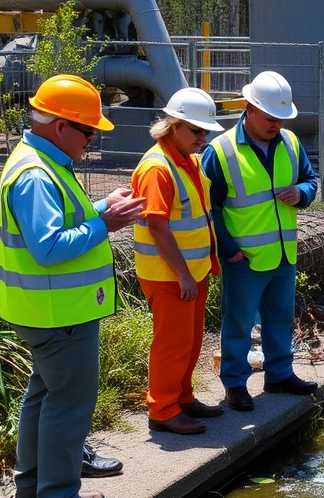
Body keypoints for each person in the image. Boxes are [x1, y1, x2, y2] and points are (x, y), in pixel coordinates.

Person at [0, 74, 144, 498]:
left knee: (43, 399)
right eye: (87, 130)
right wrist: (108, 224)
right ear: (60, 126)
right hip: (61, 314)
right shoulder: (38, 174)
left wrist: (100, 207)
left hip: (42, 312)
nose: (92, 139)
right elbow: (49, 247)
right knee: (68, 405)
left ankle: (33, 495)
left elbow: (59, 223)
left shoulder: (38, 161)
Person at [201, 70, 319, 411]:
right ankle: (235, 384)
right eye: (270, 118)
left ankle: (279, 373)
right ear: (249, 108)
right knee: (238, 324)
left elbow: (310, 180)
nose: (276, 125)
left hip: (284, 254)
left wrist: (302, 193)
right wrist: (228, 250)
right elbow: (211, 208)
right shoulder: (220, 151)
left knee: (280, 318)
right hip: (244, 258)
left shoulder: (291, 143)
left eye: (282, 119)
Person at [132, 87, 225, 435]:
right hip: (169, 274)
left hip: (190, 271)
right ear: (173, 125)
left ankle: (182, 396)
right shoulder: (158, 168)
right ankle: (163, 409)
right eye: (196, 130)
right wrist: (184, 274)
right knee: (172, 342)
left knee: (190, 339)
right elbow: (157, 226)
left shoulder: (188, 159)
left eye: (205, 131)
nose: (203, 138)